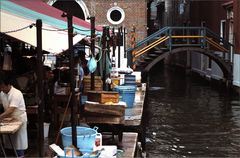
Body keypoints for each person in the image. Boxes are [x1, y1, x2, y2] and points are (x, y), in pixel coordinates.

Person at [0, 72, 28, 157]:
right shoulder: (2, 93)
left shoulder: (16, 93)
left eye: (2, 87)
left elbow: (11, 110)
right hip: (8, 119)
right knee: (8, 142)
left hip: (19, 118)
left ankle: (20, 155)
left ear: (8, 85)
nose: (1, 89)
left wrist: (0, 117)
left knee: (19, 142)